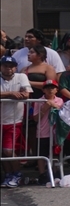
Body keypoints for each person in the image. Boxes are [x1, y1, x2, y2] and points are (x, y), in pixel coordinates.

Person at [1, 56, 32, 188]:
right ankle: (8, 174)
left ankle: (17, 174)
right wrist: (11, 94)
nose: (9, 68)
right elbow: (15, 94)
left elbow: (27, 93)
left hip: (14, 120)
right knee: (2, 151)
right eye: (5, 65)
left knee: (8, 150)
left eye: (11, 66)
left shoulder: (21, 77)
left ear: (15, 67)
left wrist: (21, 94)